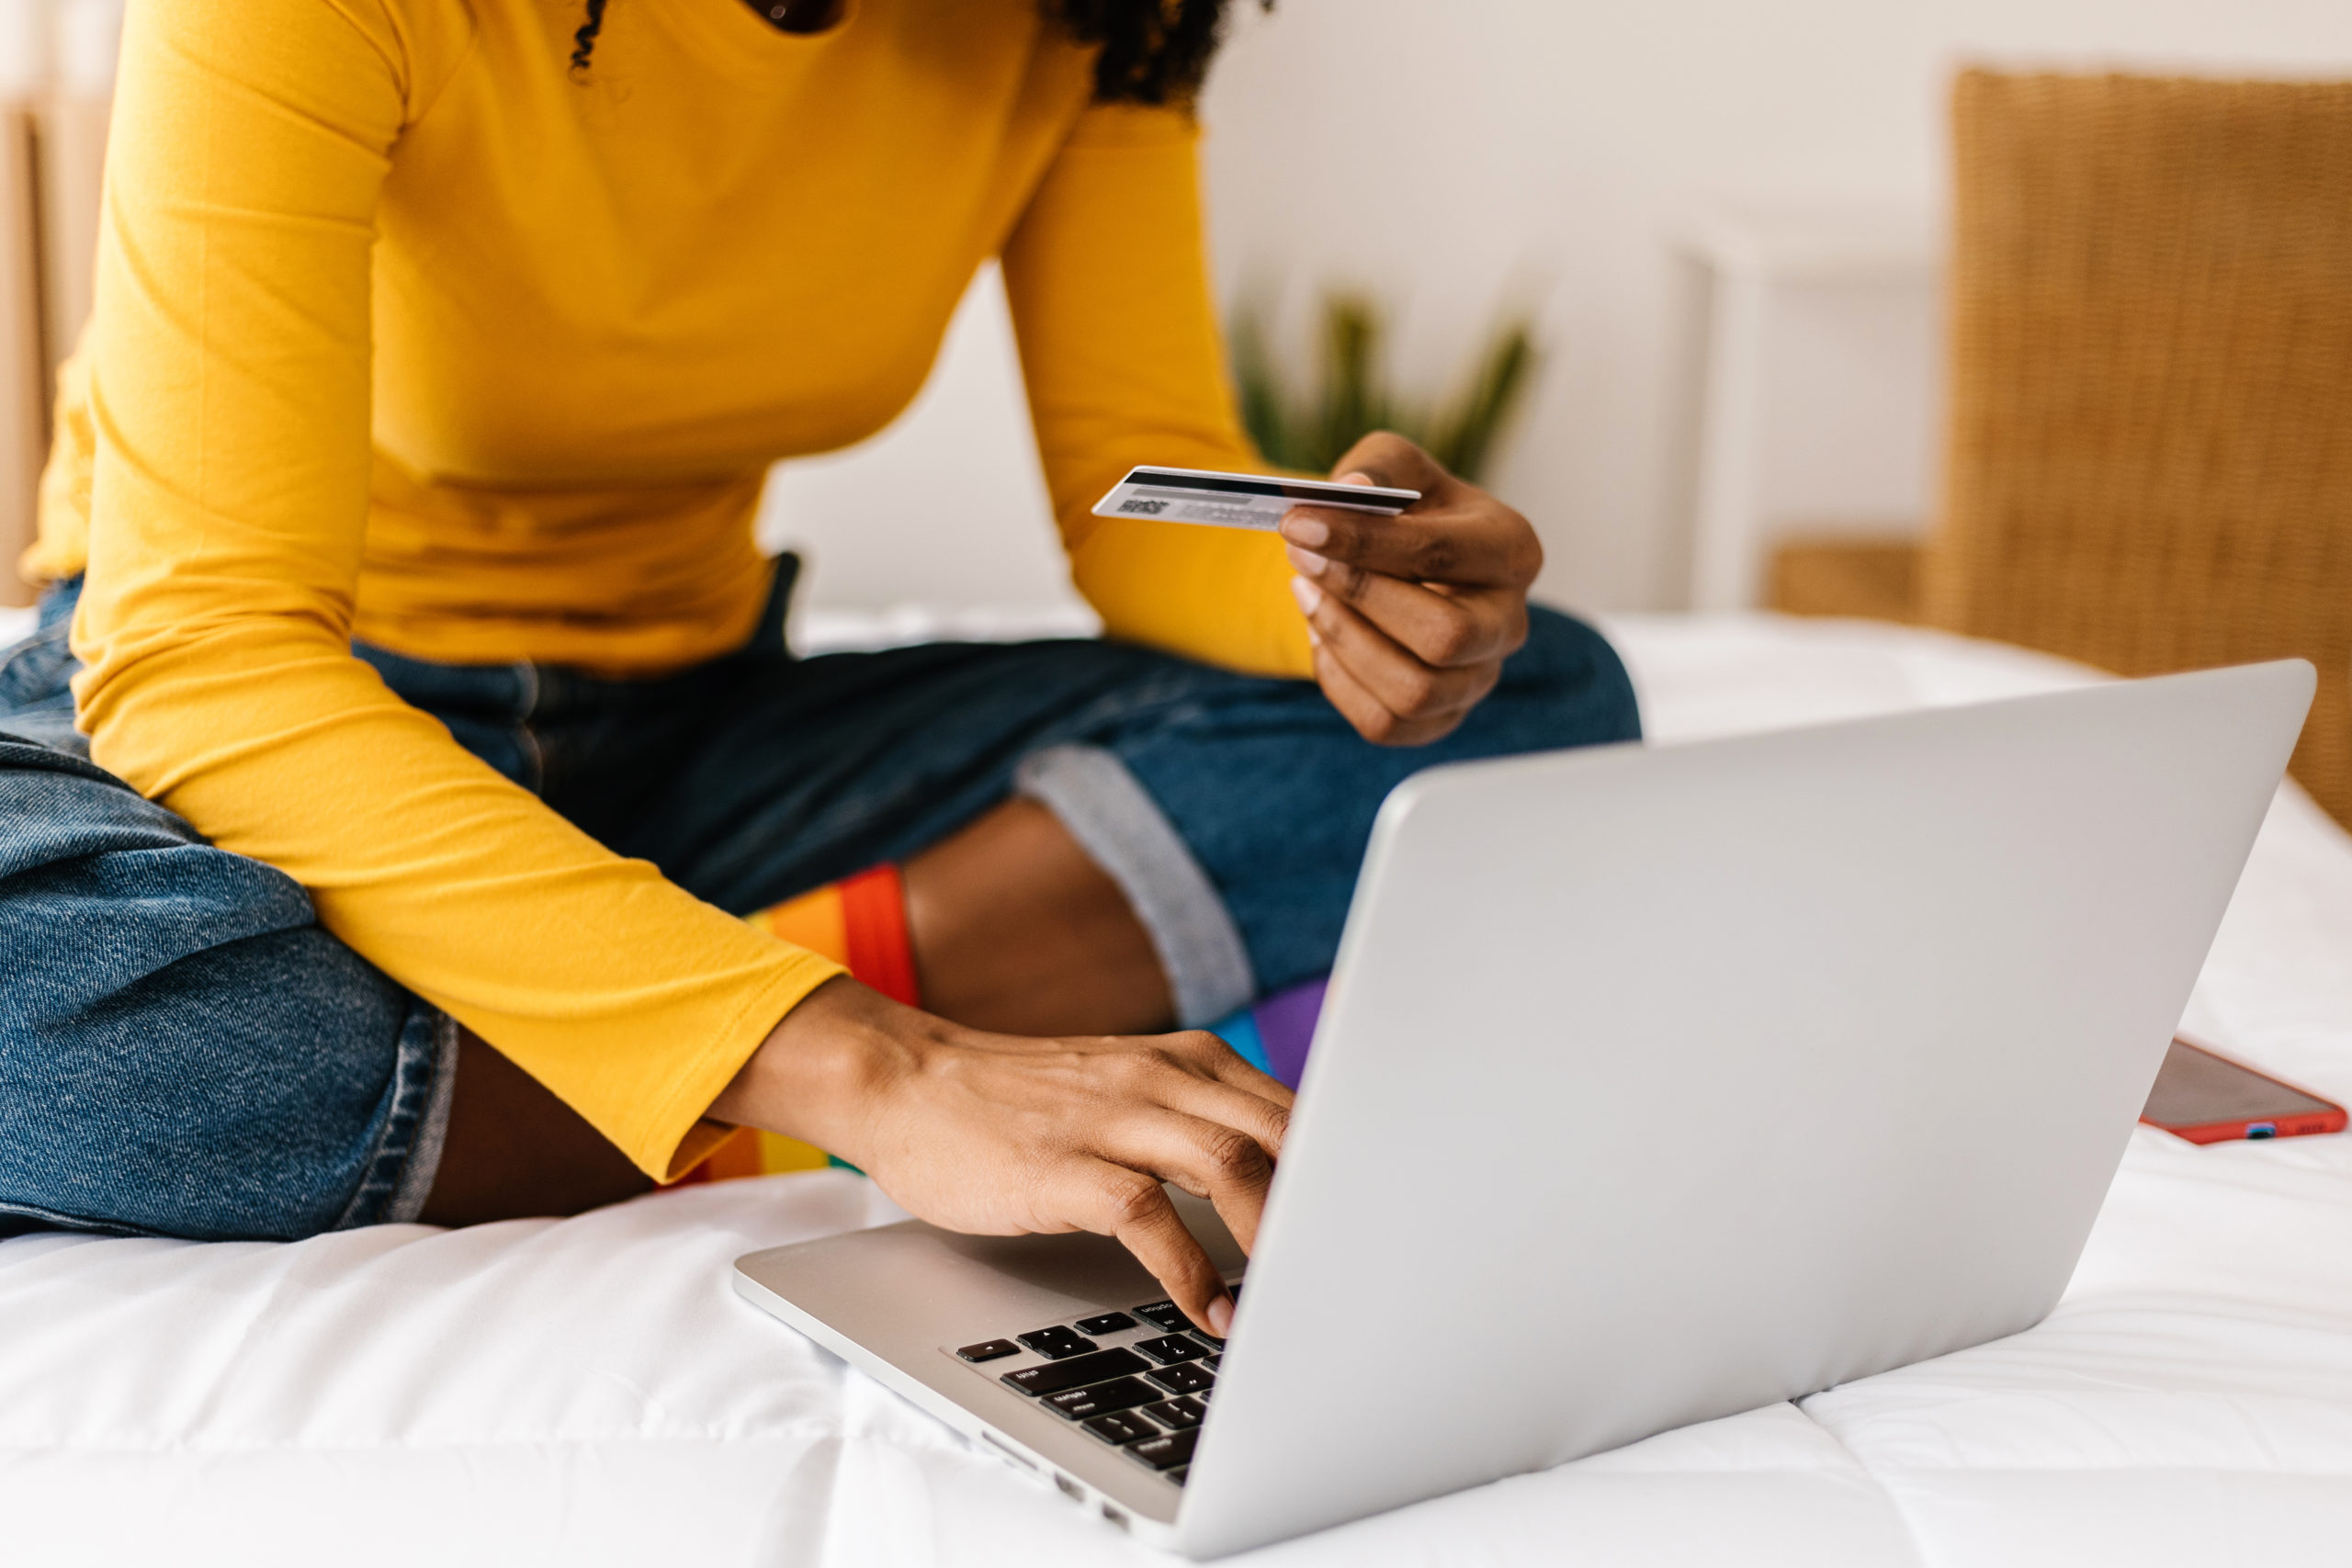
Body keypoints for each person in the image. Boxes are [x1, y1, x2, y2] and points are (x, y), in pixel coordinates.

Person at [0, 0, 1638, 1334]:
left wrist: (1346, 589)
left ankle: (618, 1038)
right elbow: (209, 654)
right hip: (252, 731)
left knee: (1539, 702)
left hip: (688, 728)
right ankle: (785, 1050)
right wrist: (872, 1061)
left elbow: (1135, 486)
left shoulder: (1099, 15)